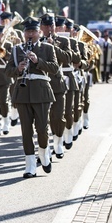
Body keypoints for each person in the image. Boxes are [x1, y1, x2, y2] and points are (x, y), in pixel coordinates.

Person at [5, 16, 58, 178]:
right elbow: (7, 71)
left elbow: (55, 68)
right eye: (27, 31)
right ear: (24, 33)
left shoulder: (47, 48)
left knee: (42, 129)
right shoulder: (16, 50)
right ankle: (30, 165)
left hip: (41, 92)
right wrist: (18, 70)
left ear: (39, 32)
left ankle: (43, 153)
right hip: (22, 93)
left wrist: (37, 61)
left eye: (33, 31)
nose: (30, 34)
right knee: (26, 131)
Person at [39, 14, 71, 158]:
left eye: (51, 26)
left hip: (57, 83)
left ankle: (58, 143)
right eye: (46, 26)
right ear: (41, 28)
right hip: (41, 84)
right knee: (43, 119)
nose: (49, 28)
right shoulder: (37, 42)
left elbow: (68, 58)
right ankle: (44, 150)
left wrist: (54, 46)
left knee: (58, 116)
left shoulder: (63, 40)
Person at [54, 16, 81, 150]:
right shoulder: (47, 41)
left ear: (65, 28)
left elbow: (77, 58)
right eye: (56, 27)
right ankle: (55, 139)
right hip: (54, 76)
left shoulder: (71, 42)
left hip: (68, 75)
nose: (58, 29)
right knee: (54, 113)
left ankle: (68, 134)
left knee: (68, 110)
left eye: (60, 27)